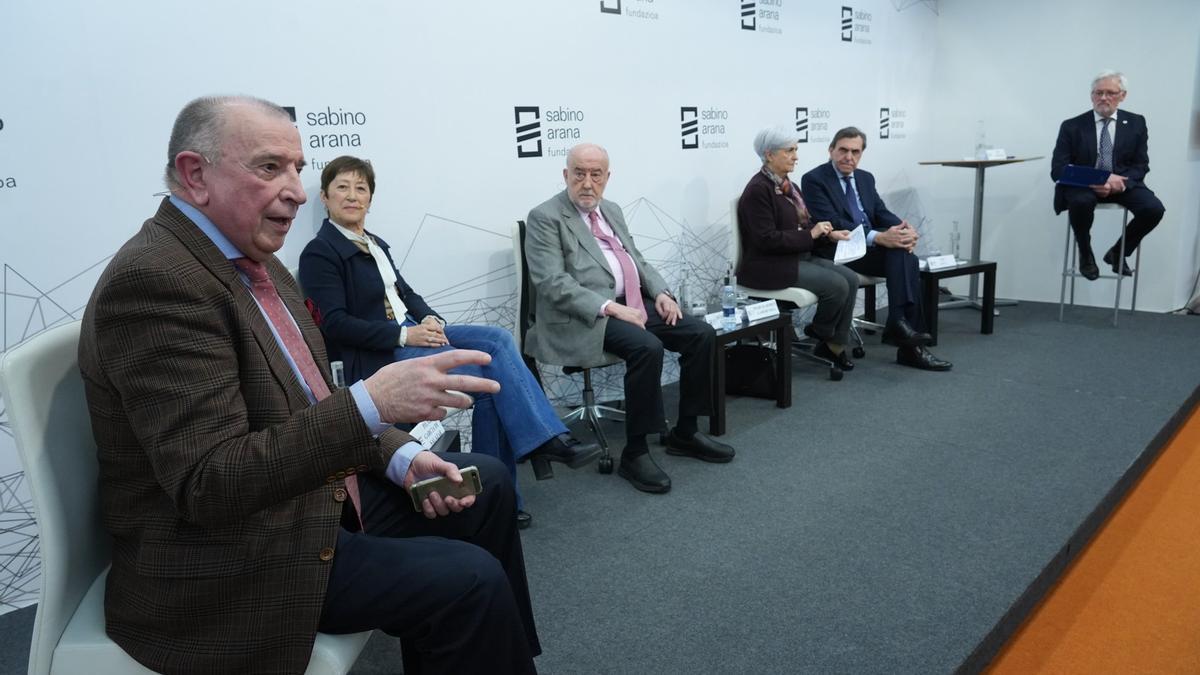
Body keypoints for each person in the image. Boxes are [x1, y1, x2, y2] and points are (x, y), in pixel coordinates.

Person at [78, 96, 540, 675]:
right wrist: (373, 404)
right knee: (469, 582)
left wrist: (402, 458)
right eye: (271, 167)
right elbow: (209, 485)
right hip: (231, 559)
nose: (298, 190)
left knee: (488, 483)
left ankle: (494, 655)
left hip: (301, 500)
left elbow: (310, 406)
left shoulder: (260, 262)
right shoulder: (156, 281)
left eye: (297, 168)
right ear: (196, 175)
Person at [299, 154, 600, 530]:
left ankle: (517, 472)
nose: (352, 195)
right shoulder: (320, 252)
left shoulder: (375, 243)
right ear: (325, 198)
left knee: (497, 339)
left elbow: (407, 293)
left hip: (413, 331)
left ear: (370, 200)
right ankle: (538, 451)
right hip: (380, 354)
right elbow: (335, 324)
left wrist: (431, 319)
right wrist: (405, 333)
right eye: (342, 187)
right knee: (493, 380)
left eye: (361, 188)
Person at [523, 143, 735, 494]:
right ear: (566, 175)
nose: (587, 183)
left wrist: (663, 294)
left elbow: (636, 259)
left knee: (700, 333)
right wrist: (609, 307)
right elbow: (551, 283)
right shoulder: (545, 217)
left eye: (596, 174)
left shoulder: (612, 210)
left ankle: (686, 431)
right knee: (647, 347)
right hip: (585, 316)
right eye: (579, 173)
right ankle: (635, 453)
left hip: (632, 304)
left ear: (607, 177)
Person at [801, 126, 952, 372]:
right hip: (839, 250)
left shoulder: (865, 178)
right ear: (831, 150)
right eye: (843, 150)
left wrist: (903, 229)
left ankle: (902, 328)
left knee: (904, 254)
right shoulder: (814, 179)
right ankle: (907, 343)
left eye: (855, 152)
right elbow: (832, 222)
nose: (849, 157)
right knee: (904, 257)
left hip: (869, 249)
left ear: (861, 154)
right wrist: (880, 237)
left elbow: (880, 212)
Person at [737, 126, 859, 372]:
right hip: (768, 265)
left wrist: (828, 233)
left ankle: (832, 343)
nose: (795, 156)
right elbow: (766, 240)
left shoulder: (785, 185)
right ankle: (823, 333)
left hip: (796, 256)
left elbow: (805, 223)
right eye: (789, 150)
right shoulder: (757, 190)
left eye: (796, 150)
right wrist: (810, 235)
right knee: (837, 286)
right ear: (769, 155)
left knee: (851, 279)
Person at [1051, 70, 1164, 280]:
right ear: (1091, 95)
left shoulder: (1136, 122)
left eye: (1110, 93)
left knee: (1154, 209)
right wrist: (1099, 179)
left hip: (1121, 184)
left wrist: (1118, 184)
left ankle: (1118, 252)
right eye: (1098, 93)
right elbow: (1058, 169)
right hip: (1083, 186)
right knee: (1081, 202)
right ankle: (1085, 253)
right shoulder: (1072, 126)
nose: (1103, 98)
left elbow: (1141, 165)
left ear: (1123, 95)